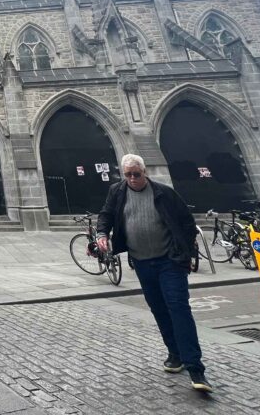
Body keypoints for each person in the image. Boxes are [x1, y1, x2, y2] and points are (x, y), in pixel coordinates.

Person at [96, 154, 210, 393]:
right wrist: (101, 233)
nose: (133, 179)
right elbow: (106, 214)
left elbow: (187, 223)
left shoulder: (164, 193)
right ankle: (175, 354)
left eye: (137, 174)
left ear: (144, 172)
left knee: (178, 308)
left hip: (169, 261)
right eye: (128, 175)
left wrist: (185, 254)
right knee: (159, 309)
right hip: (142, 262)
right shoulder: (117, 192)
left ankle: (195, 367)